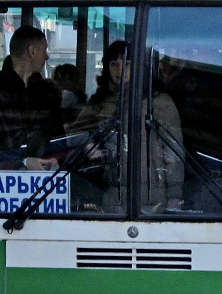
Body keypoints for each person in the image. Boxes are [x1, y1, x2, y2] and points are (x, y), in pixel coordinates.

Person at [72, 41, 183, 211]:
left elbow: (173, 152)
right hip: (109, 195)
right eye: (114, 64)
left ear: (140, 66)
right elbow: (75, 134)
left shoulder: (158, 102)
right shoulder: (100, 102)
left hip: (153, 196)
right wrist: (87, 146)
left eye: (127, 64)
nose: (119, 69)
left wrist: (175, 196)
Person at [0, 26, 64, 171]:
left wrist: (58, 158)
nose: (47, 57)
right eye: (44, 51)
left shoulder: (48, 93)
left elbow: (58, 139)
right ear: (32, 51)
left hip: (45, 176)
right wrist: (22, 162)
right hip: (0, 180)